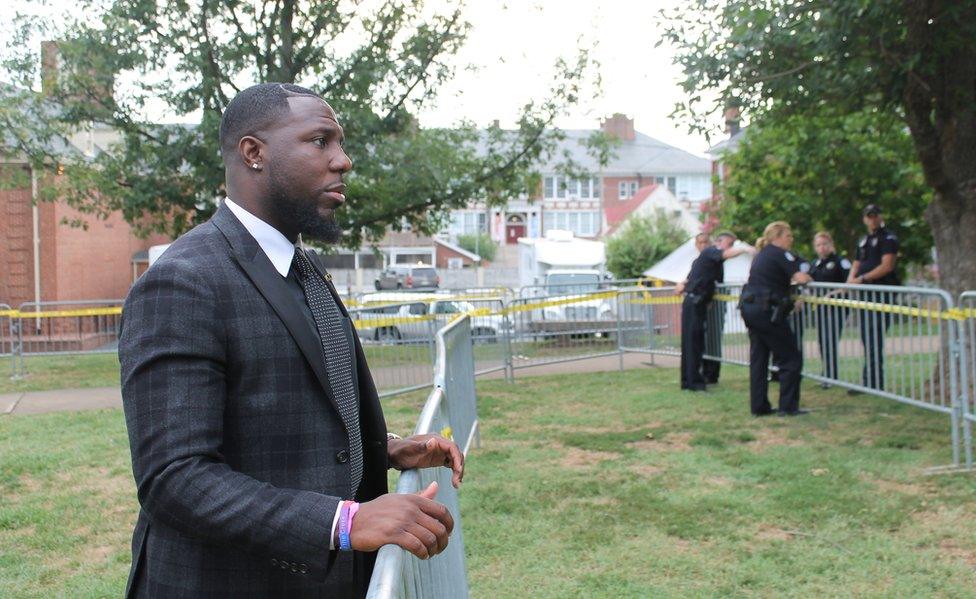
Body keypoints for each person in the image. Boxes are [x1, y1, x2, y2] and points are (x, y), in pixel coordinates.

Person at [119, 83, 464, 597]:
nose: (342, 161)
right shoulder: (185, 282)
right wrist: (343, 522)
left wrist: (381, 449)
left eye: (340, 144)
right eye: (320, 141)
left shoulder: (302, 268)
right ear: (254, 153)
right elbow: (175, 478)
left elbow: (275, 415)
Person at [740, 222, 812, 416]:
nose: (791, 239)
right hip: (766, 311)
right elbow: (801, 277)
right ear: (776, 237)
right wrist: (808, 277)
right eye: (788, 236)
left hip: (751, 308)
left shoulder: (762, 255)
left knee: (759, 358)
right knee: (790, 358)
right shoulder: (779, 253)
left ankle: (759, 407)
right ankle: (788, 407)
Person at [676, 231, 753, 391]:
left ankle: (689, 380)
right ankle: (693, 382)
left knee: (694, 343)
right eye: (729, 244)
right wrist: (745, 248)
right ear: (718, 242)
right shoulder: (711, 252)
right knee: (693, 343)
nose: (731, 248)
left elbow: (696, 279)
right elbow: (727, 254)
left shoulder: (711, 260)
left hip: (697, 302)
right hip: (694, 301)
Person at [846, 204, 900, 392]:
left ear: (880, 216)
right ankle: (869, 380)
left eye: (875, 215)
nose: (872, 219)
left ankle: (874, 382)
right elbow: (856, 263)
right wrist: (850, 281)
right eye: (868, 216)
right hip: (865, 294)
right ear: (864, 219)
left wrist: (862, 279)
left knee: (874, 337)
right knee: (867, 338)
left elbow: (887, 266)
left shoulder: (888, 238)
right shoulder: (864, 240)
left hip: (880, 294)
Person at [809, 232, 851, 386]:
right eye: (819, 245)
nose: (822, 248)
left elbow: (849, 283)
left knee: (830, 339)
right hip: (820, 308)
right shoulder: (814, 264)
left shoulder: (841, 262)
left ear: (831, 245)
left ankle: (831, 375)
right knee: (822, 340)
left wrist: (834, 294)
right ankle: (826, 372)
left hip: (836, 308)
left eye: (825, 244)